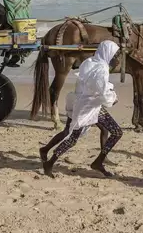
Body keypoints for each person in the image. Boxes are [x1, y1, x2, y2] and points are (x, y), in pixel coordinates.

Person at [42, 40, 123, 178]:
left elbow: (89, 83)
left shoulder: (91, 61)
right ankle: (49, 163)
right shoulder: (102, 68)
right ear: (108, 53)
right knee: (73, 138)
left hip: (81, 101)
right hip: (88, 106)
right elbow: (102, 91)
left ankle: (99, 161)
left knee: (114, 131)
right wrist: (113, 98)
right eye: (115, 55)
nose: (116, 58)